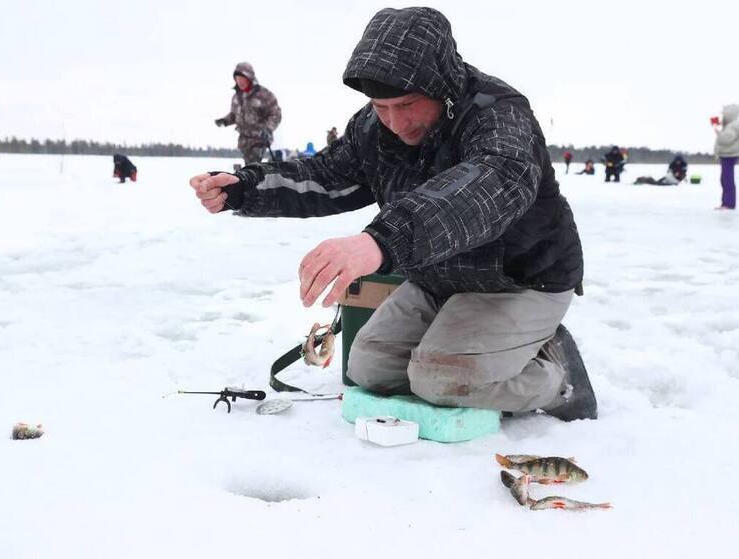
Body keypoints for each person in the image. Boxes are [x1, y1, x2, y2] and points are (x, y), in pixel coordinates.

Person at [190, 7, 595, 421]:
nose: (395, 122)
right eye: (381, 107)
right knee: (369, 370)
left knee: (438, 380)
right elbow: (327, 175)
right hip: (437, 279)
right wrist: (245, 189)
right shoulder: (374, 127)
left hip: (520, 280)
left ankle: (557, 378)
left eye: (406, 104)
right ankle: (488, 346)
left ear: (441, 85)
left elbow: (484, 189)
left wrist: (382, 241)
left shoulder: (499, 114)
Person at [215, 62, 282, 165]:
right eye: (237, 79)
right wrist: (225, 120)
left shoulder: (264, 95)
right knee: (249, 165)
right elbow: (234, 115)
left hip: (259, 138)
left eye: (242, 79)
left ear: (250, 78)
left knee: (252, 164)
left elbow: (275, 114)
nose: (239, 82)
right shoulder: (236, 97)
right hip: (244, 140)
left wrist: (268, 129)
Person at [712, 104, 739, 210]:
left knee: (727, 179)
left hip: (729, 155)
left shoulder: (733, 126)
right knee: (725, 179)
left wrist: (716, 130)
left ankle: (729, 204)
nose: (722, 116)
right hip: (727, 155)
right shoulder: (730, 126)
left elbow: (725, 140)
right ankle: (726, 203)